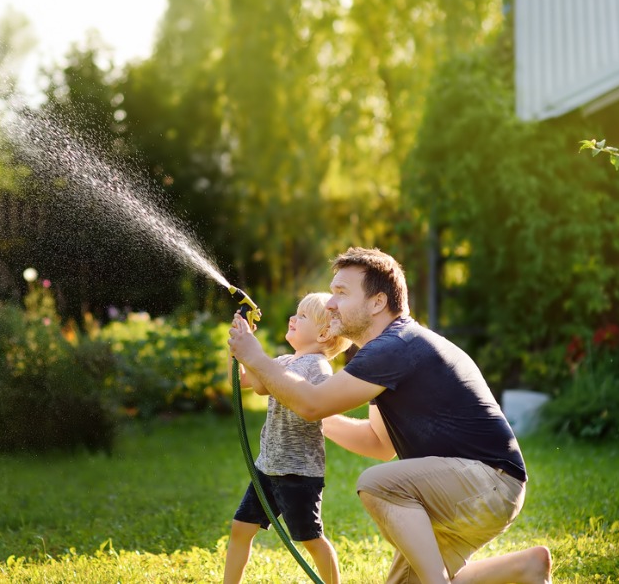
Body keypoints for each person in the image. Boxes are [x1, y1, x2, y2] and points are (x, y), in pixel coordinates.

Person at [227, 247, 552, 584]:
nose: (330, 303)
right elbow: (378, 444)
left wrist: (257, 358)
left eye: (341, 293)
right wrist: (310, 415)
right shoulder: (386, 350)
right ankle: (524, 567)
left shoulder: (394, 345)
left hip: (486, 482)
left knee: (376, 483)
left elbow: (313, 404)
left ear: (377, 302)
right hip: (464, 489)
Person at [223, 292, 353, 584]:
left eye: (302, 316)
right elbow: (244, 382)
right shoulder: (283, 360)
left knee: (310, 539)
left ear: (323, 334)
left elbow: (306, 404)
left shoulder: (317, 367)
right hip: (268, 467)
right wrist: (238, 348)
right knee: (240, 528)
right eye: (296, 313)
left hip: (298, 473)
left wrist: (253, 354)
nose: (293, 318)